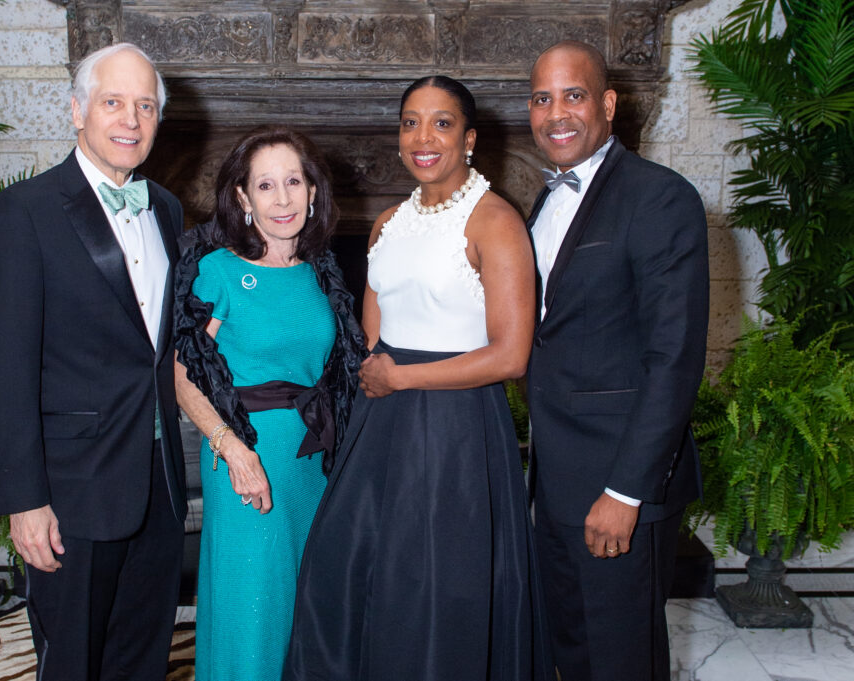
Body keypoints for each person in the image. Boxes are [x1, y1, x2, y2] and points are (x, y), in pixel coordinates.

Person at [283, 76, 554, 681]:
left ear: (469, 139)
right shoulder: (387, 222)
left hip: (456, 428)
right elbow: (372, 339)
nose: (423, 137)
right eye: (410, 122)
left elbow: (511, 356)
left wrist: (402, 379)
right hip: (381, 423)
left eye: (441, 123)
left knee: (433, 585)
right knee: (344, 565)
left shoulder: (495, 222)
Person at [0, 43, 187, 681]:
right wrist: (24, 501)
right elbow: (3, 371)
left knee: (141, 657)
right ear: (77, 111)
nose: (130, 120)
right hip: (72, 492)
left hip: (159, 482)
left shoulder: (167, 208)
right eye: (113, 102)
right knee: (71, 663)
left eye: (145, 106)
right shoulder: (26, 211)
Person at [525, 40, 709, 681]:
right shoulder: (543, 201)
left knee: (621, 661)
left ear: (607, 104)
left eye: (573, 95)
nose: (556, 113)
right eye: (542, 98)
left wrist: (625, 492)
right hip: (553, 481)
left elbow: (674, 358)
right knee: (570, 652)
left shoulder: (660, 197)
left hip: (617, 485)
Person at [173, 125, 365, 681]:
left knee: (307, 611)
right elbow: (182, 375)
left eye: (293, 182)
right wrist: (233, 451)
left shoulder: (321, 272)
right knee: (252, 612)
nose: (282, 199)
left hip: (312, 462)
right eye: (265, 185)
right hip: (246, 461)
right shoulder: (219, 270)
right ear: (242, 198)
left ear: (312, 191)